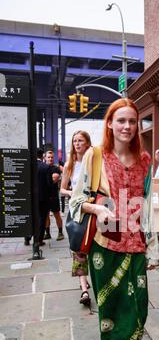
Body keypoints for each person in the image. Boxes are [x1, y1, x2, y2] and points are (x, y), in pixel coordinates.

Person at [69, 98, 158, 340]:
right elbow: (75, 202)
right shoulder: (95, 156)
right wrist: (98, 209)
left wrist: (154, 248)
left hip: (136, 243)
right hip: (104, 244)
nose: (127, 127)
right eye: (120, 120)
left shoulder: (146, 161)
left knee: (139, 308)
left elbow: (146, 207)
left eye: (132, 121)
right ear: (109, 123)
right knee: (111, 308)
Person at [60, 131, 92, 307]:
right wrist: (72, 192)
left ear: (87, 143)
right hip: (76, 211)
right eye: (75, 141)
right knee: (79, 249)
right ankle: (84, 290)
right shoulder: (69, 165)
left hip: (93, 209)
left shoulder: (94, 163)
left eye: (80, 140)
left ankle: (92, 280)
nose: (77, 144)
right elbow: (62, 189)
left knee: (94, 248)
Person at [44, 150, 64, 241]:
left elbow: (54, 179)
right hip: (45, 196)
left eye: (52, 157)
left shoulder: (55, 168)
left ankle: (60, 233)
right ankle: (47, 233)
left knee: (57, 214)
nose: (50, 159)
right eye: (49, 157)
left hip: (53, 195)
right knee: (46, 215)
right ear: (45, 158)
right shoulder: (43, 167)